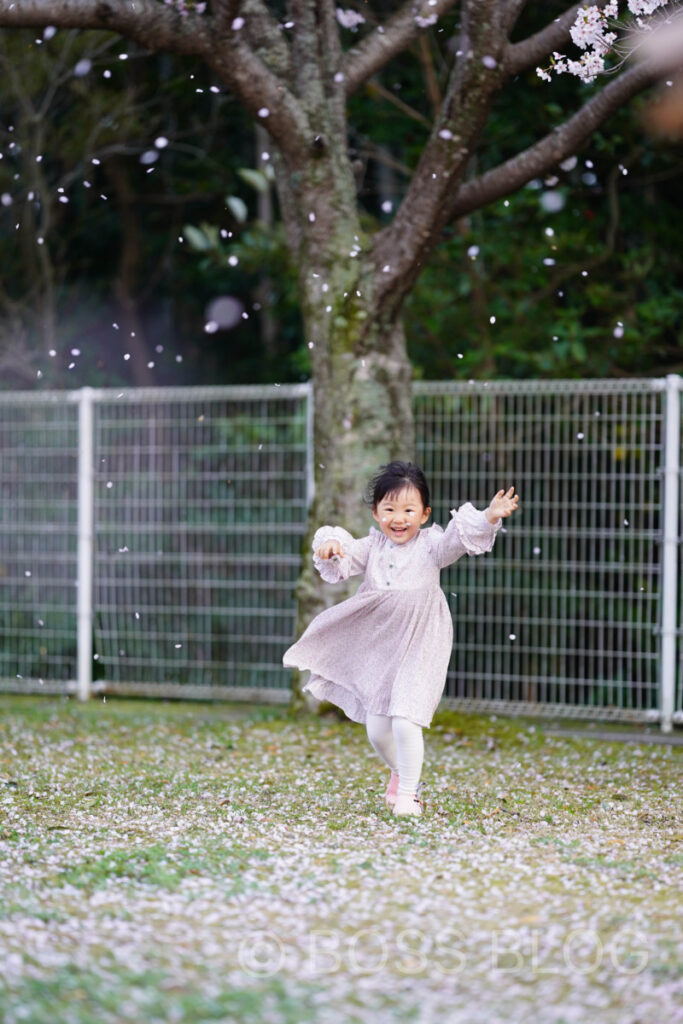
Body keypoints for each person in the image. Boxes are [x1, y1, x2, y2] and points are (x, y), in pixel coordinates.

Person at [283, 461, 519, 817]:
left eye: (409, 510)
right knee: (378, 729)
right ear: (376, 513)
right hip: (381, 642)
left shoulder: (432, 546)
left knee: (406, 718)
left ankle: (409, 794)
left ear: (424, 514)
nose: (399, 518)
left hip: (424, 639)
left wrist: (488, 516)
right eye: (390, 509)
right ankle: (400, 773)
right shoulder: (374, 545)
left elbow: (457, 541)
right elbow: (344, 557)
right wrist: (330, 545)